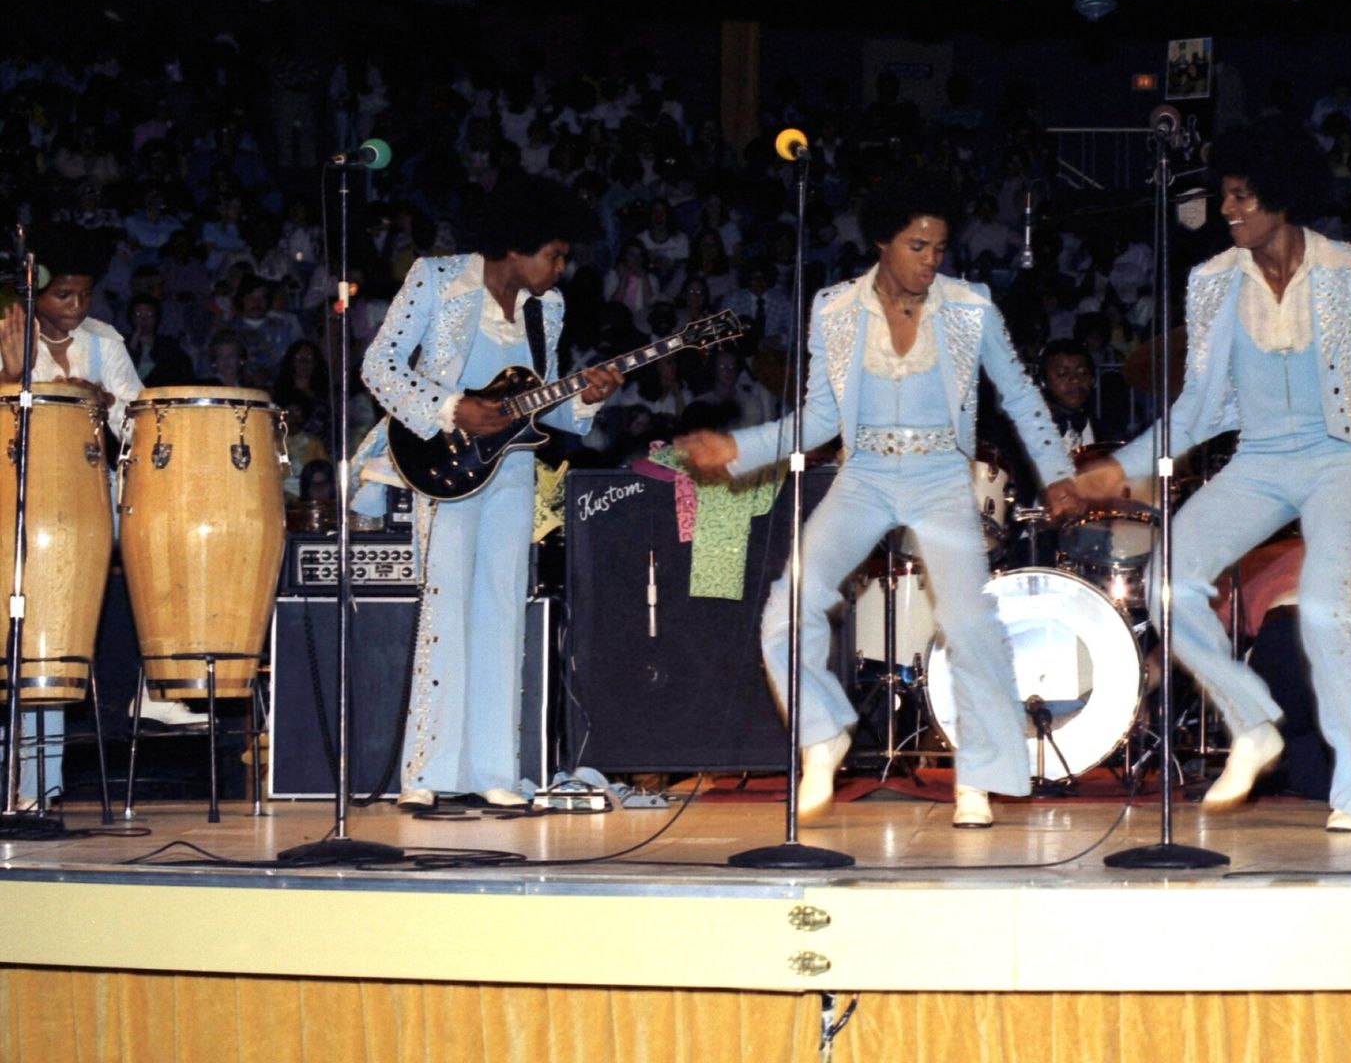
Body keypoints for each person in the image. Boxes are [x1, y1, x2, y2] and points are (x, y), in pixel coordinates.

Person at [1075, 120, 1351, 832]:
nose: (1228, 209)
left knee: (1328, 614)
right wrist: (1122, 464)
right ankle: (1254, 721)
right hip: (1260, 460)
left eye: (1241, 196)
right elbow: (1198, 409)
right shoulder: (1212, 284)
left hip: (1336, 457)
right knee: (1169, 582)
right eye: (1225, 196)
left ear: (1281, 195)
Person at [679, 170, 1082, 829]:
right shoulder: (835, 309)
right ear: (882, 244)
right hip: (864, 472)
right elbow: (815, 423)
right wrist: (741, 448)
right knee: (789, 606)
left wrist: (1057, 471)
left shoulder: (969, 306)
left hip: (938, 475)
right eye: (917, 246)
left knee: (969, 624)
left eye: (939, 248)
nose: (931, 260)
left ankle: (977, 778)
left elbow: (1021, 395)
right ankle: (823, 736)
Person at [352, 175, 623, 810]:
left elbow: (541, 401)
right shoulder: (438, 278)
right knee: (445, 605)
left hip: (511, 471)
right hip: (440, 463)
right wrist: (450, 407)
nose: (561, 267)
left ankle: (493, 767)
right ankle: (426, 770)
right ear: (515, 245)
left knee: (504, 605)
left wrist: (582, 398)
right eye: (553, 253)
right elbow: (378, 364)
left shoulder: (544, 309)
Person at [0, 230, 145, 807]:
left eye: (84, 296)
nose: (76, 307)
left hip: (83, 503)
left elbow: (140, 421)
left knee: (55, 634)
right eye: (63, 295)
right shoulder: (8, 330)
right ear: (36, 293)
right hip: (15, 497)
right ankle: (14, 786)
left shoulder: (103, 341)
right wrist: (14, 379)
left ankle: (41, 790)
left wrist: (106, 404)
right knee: (14, 635)